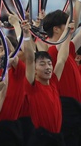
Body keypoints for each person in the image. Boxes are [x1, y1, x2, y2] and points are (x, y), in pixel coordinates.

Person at [22, 16, 72, 146]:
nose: (48, 67)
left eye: (49, 64)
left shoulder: (54, 82)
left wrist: (68, 33)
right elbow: (29, 58)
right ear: (35, 70)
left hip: (57, 138)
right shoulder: (32, 86)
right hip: (41, 139)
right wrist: (27, 34)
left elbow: (62, 58)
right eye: (42, 64)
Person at [41, 9, 81, 145]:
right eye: (67, 25)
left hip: (76, 108)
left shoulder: (68, 49)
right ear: (57, 29)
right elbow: (73, 20)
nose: (72, 27)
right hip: (65, 108)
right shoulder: (53, 49)